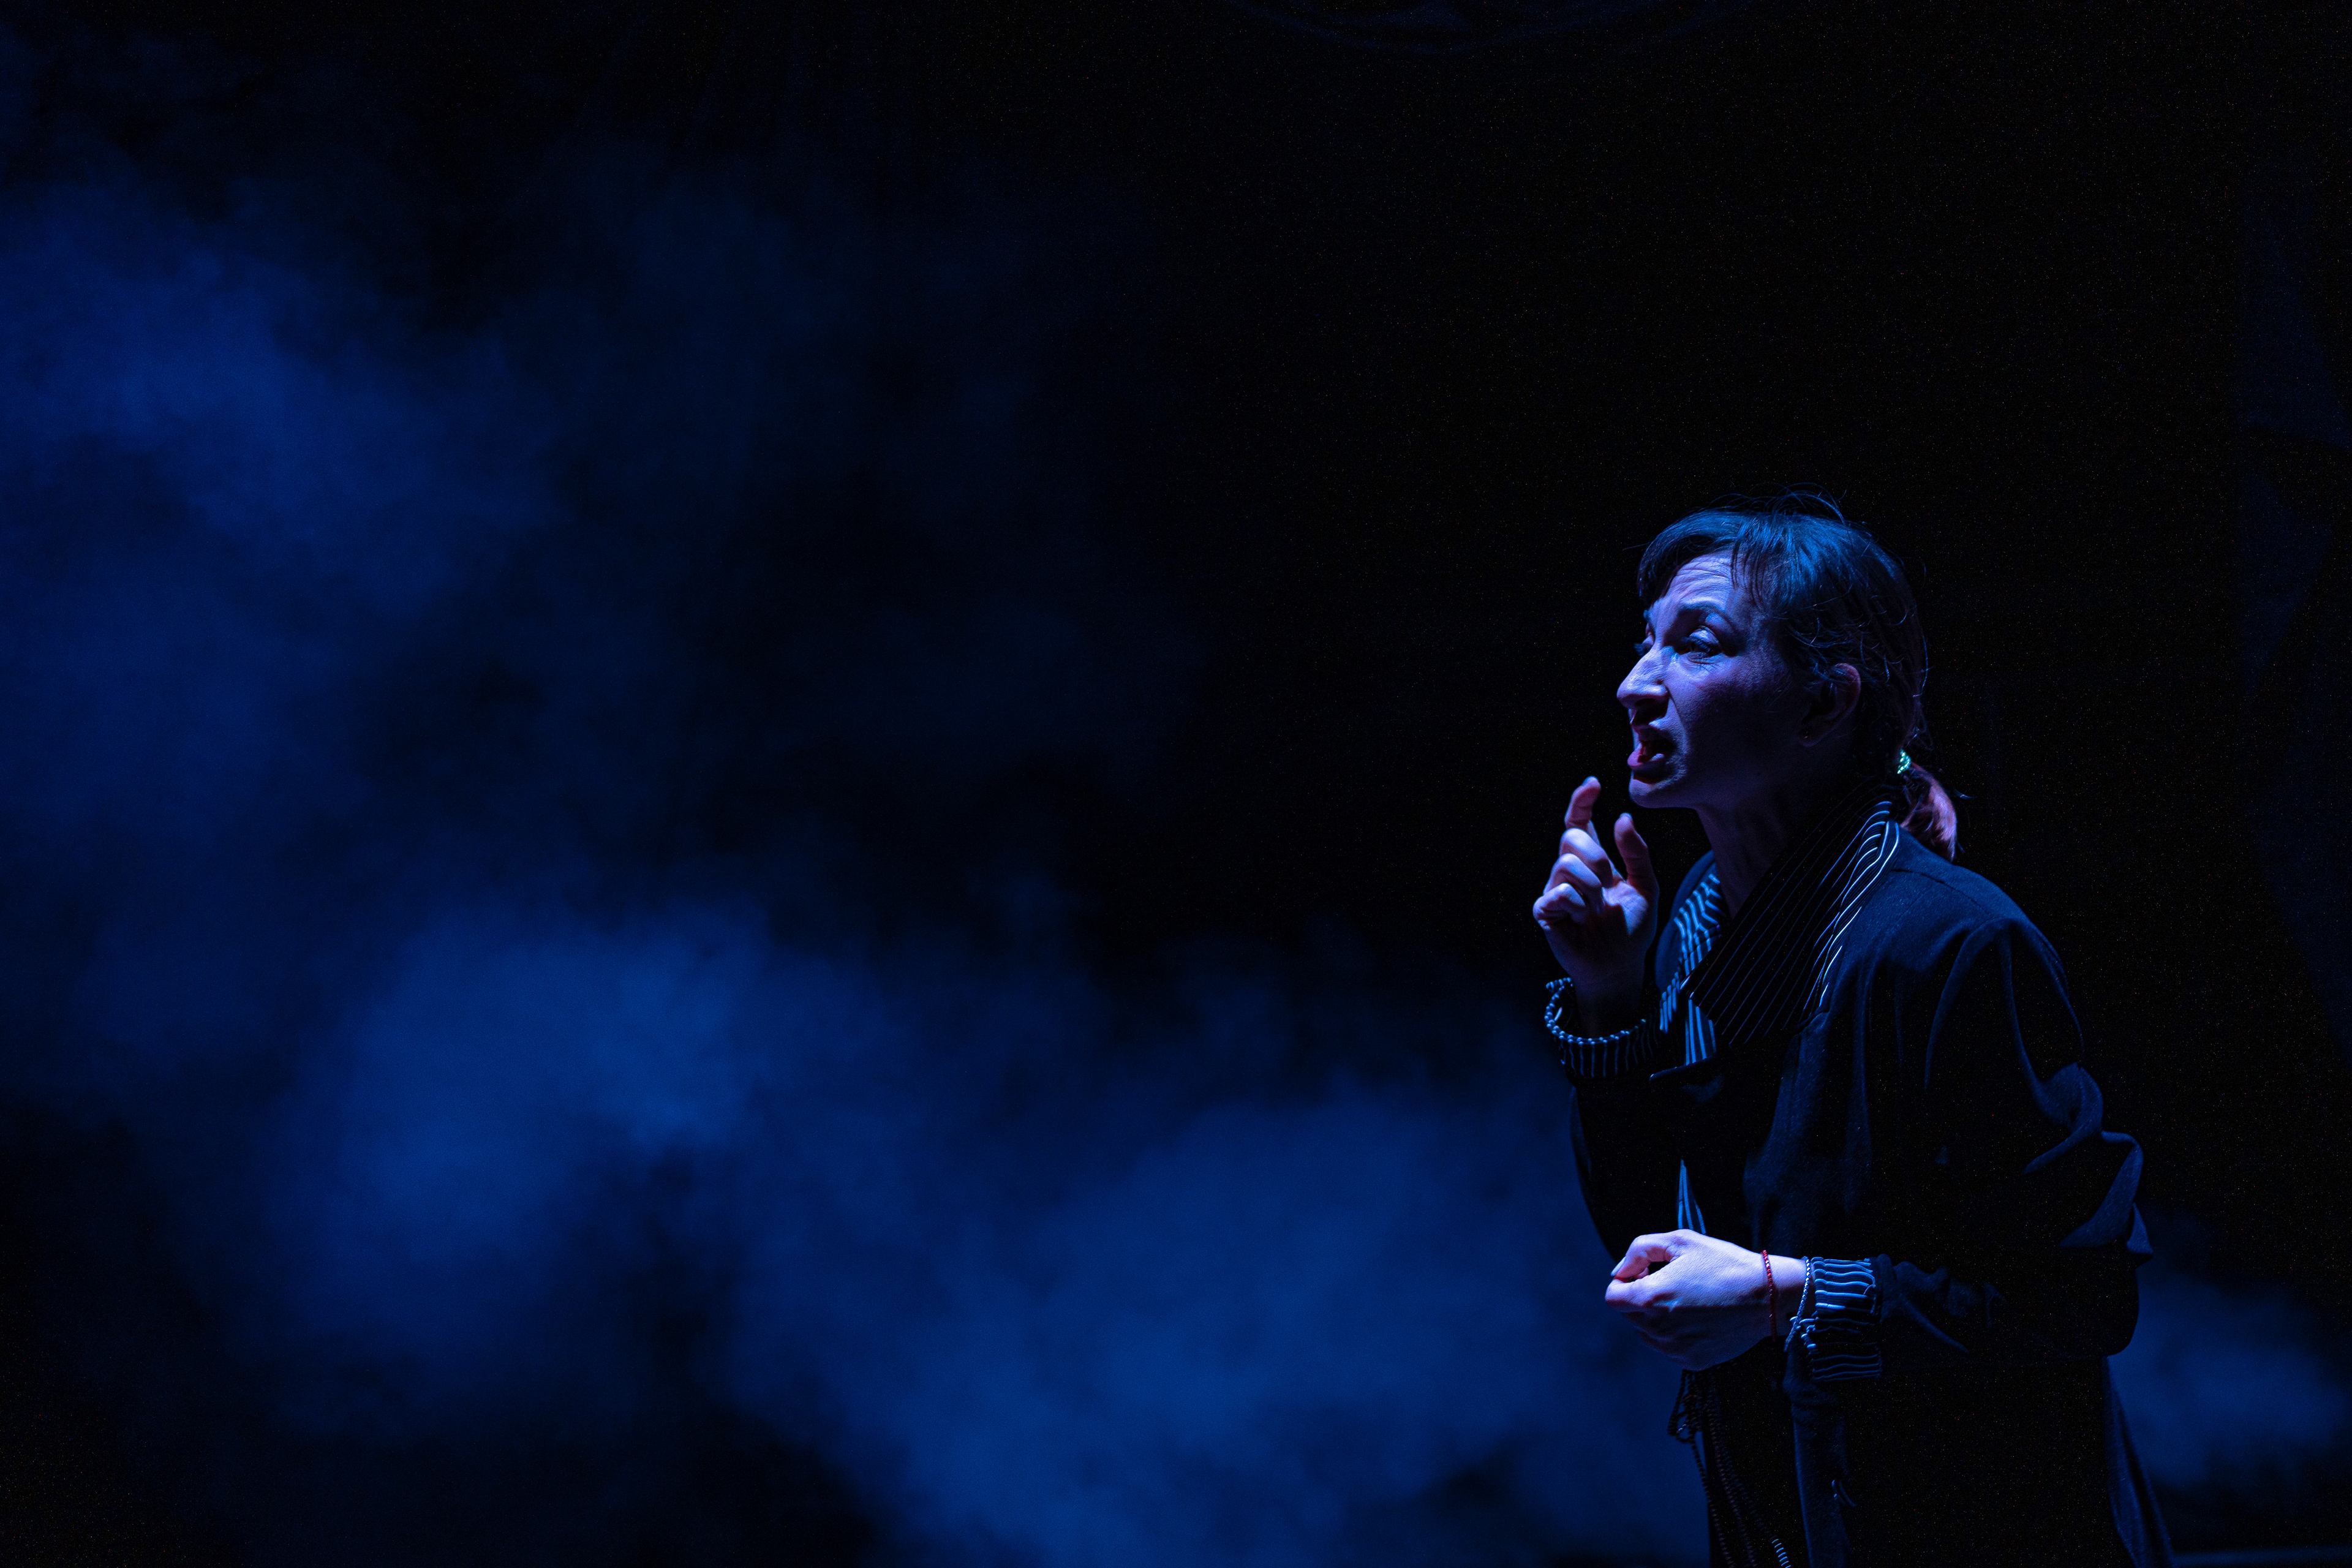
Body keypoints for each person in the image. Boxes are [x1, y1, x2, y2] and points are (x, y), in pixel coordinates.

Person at [1533, 500, 2170, 1568]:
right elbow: (1653, 1247)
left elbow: (2077, 1294)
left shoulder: (1947, 944)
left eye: (1696, 643)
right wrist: (1608, 993)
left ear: (1825, 702)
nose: (1638, 682)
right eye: (1644, 643)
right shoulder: (1695, 920)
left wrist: (1787, 1297)